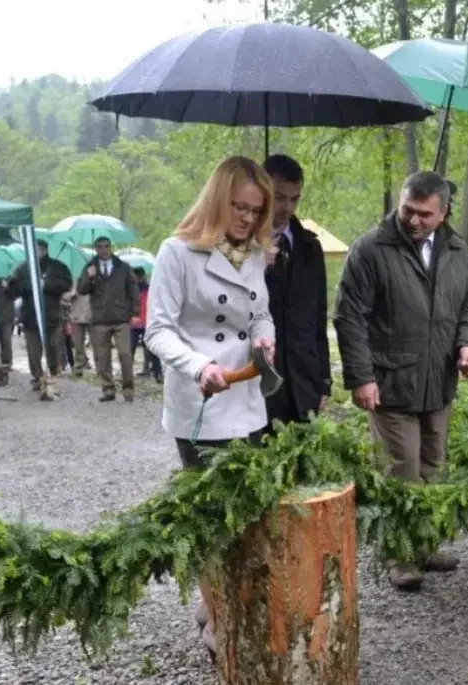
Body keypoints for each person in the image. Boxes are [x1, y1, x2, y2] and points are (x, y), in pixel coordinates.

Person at [144, 155, 276, 660]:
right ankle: (219, 619)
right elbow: (158, 329)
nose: (245, 219)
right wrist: (199, 366)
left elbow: (260, 313)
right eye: (238, 207)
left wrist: (265, 340)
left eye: (255, 210)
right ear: (217, 200)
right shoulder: (176, 252)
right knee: (211, 518)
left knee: (249, 513)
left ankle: (227, 598)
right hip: (201, 399)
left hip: (246, 396)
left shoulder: (258, 254)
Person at [334, 170, 468, 591]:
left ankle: (422, 542)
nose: (414, 221)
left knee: (433, 467)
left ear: (444, 213)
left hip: (439, 381)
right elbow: (349, 318)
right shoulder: (371, 249)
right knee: (401, 468)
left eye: (424, 214)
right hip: (390, 380)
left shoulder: (458, 250)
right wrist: (361, 377)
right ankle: (396, 554)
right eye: (407, 211)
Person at [262, 154, 331, 429]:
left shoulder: (309, 247)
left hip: (303, 383)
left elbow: (318, 319)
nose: (286, 208)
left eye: (294, 199)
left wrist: (323, 380)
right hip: (260, 381)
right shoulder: (238, 247)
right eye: (279, 197)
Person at [5, 239, 73, 400]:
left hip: (52, 315)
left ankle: (52, 375)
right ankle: (37, 376)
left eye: (39, 249)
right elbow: (15, 290)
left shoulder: (57, 267)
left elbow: (67, 283)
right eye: (34, 249)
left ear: (45, 250)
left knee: (54, 347)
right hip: (31, 316)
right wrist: (25, 285)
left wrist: (47, 284)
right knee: (34, 351)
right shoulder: (22, 268)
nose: (37, 252)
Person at [77, 236, 140, 402]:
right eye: (99, 247)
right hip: (99, 319)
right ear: (95, 249)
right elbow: (82, 290)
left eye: (106, 246)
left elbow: (133, 290)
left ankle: (128, 388)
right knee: (102, 356)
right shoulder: (90, 267)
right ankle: (108, 389)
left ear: (110, 247)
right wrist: (89, 277)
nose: (103, 249)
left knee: (125, 354)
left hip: (121, 318)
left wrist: (134, 313)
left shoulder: (123, 267)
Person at [130, 267, 162, 382]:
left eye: (137, 277)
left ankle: (156, 372)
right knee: (130, 348)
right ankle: (128, 373)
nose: (136, 279)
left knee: (151, 349)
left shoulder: (149, 289)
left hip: (147, 322)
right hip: (134, 323)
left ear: (141, 276)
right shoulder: (131, 289)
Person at [0, 275, 16, 386]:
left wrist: (8, 287)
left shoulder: (10, 277)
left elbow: (15, 294)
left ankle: (6, 364)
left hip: (7, 315)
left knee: (6, 341)